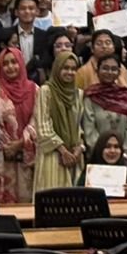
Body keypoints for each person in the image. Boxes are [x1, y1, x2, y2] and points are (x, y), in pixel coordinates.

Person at [0, 46, 37, 203]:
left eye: (14, 62)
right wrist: (7, 146)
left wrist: (20, 143)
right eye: (5, 63)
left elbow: (37, 120)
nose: (10, 67)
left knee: (26, 204)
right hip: (2, 158)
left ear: (21, 63)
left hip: (27, 159)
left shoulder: (35, 89)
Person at [33, 51, 85, 191]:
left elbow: (79, 127)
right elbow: (43, 126)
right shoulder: (46, 91)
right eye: (65, 68)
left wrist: (79, 148)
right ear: (57, 69)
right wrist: (63, 151)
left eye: (73, 69)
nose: (70, 72)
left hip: (74, 156)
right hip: (52, 155)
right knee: (52, 196)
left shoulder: (78, 94)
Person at [81, 55, 127, 158]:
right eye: (105, 68)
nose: (109, 72)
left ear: (119, 72)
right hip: (96, 155)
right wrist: (102, 152)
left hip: (123, 155)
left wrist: (124, 153)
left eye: (113, 69)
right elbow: (88, 128)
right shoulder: (91, 96)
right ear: (97, 71)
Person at [88, 131, 127, 197]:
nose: (112, 151)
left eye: (116, 147)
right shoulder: (91, 169)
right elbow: (79, 194)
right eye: (108, 146)